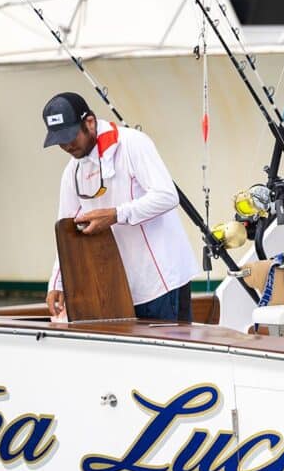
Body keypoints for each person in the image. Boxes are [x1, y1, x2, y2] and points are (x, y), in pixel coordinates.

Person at [41, 92, 197, 322]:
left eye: (71, 136)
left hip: (162, 280)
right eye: (59, 140)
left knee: (171, 356)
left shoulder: (133, 143)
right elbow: (66, 231)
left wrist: (116, 215)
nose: (67, 145)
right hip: (120, 289)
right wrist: (56, 282)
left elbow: (167, 196)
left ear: (90, 123)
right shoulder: (72, 172)